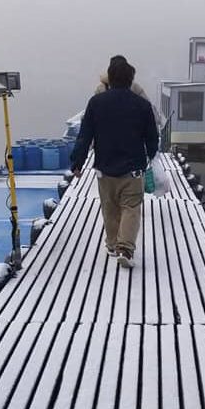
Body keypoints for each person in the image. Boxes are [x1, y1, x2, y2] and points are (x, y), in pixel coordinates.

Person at [70, 61, 158, 268]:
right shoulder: (142, 105)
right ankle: (125, 249)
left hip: (105, 168)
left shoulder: (96, 103)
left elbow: (84, 136)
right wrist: (151, 157)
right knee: (131, 208)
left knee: (110, 208)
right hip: (133, 169)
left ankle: (111, 245)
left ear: (109, 78)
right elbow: (152, 138)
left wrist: (77, 162)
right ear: (131, 79)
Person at [94, 55, 164, 129]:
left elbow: (91, 117)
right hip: (131, 132)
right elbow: (150, 111)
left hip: (105, 133)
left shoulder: (100, 89)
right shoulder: (135, 88)